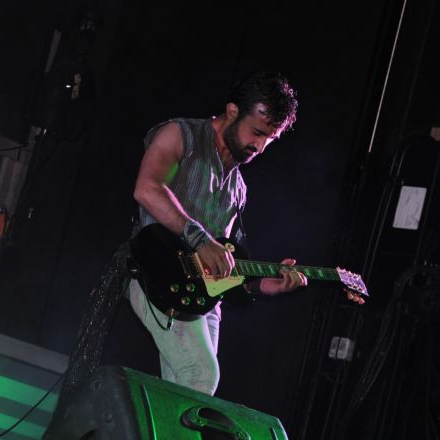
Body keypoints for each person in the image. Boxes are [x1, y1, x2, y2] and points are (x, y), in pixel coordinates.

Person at [129, 71, 360, 396]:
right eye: (257, 132)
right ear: (232, 111)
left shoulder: (238, 187)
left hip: (202, 296)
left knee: (185, 392)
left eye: (270, 138)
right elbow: (147, 188)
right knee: (200, 376)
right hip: (154, 276)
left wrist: (261, 285)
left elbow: (220, 265)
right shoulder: (180, 134)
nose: (260, 146)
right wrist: (201, 240)